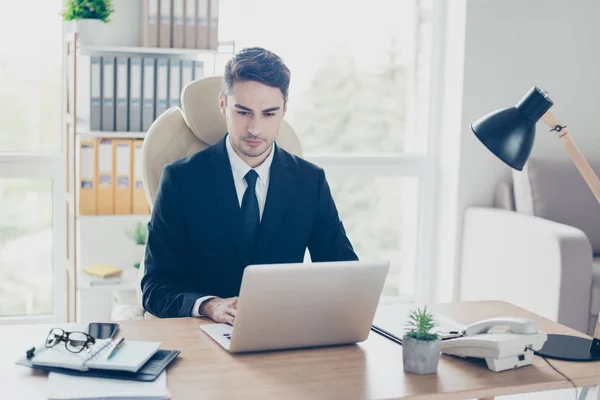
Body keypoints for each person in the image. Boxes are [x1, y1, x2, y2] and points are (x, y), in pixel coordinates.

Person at [141, 47, 358, 322]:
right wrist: (208, 305)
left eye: (269, 114)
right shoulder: (181, 180)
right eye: (243, 112)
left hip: (281, 332)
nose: (255, 128)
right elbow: (154, 288)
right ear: (223, 104)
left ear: (284, 111)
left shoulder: (310, 181)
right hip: (204, 336)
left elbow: (345, 273)